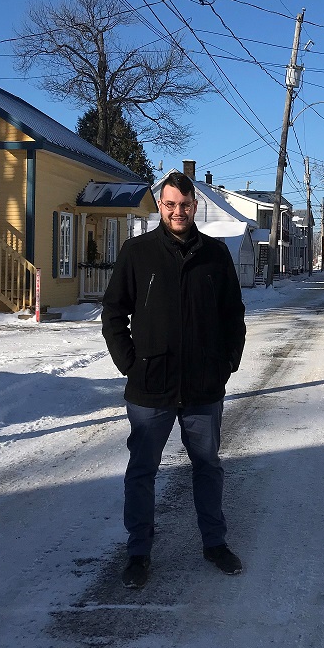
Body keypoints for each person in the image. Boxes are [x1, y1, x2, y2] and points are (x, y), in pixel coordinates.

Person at [101, 171, 247, 589]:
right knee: (142, 470)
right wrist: (131, 363)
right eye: (169, 204)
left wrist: (226, 364)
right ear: (160, 206)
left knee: (208, 467)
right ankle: (138, 552)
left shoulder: (215, 255)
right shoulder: (137, 252)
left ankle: (214, 544)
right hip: (150, 386)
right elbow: (113, 313)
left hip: (203, 386)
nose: (177, 211)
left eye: (184, 204)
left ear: (194, 206)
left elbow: (232, 316)